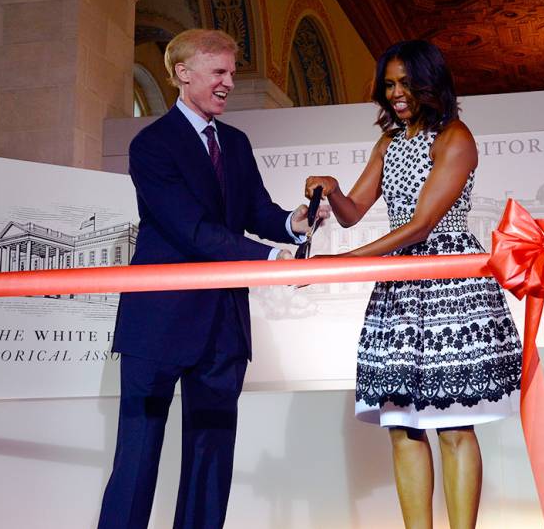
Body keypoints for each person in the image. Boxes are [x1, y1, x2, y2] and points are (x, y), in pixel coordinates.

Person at [98, 28, 324, 529]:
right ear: (182, 73)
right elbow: (192, 231)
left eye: (231, 72)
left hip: (223, 325)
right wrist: (270, 260)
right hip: (157, 324)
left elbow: (256, 211)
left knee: (211, 461)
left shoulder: (237, 144)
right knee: (136, 462)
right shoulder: (151, 146)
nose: (228, 83)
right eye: (218, 72)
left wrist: (294, 223)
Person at [304, 40, 522, 529]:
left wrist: (341, 264)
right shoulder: (390, 143)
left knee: (452, 424)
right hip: (399, 289)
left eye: (406, 83)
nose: (397, 94)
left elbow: (423, 223)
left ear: (431, 83)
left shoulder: (456, 137)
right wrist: (335, 190)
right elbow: (353, 212)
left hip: (449, 286)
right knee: (400, 425)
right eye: (389, 85)